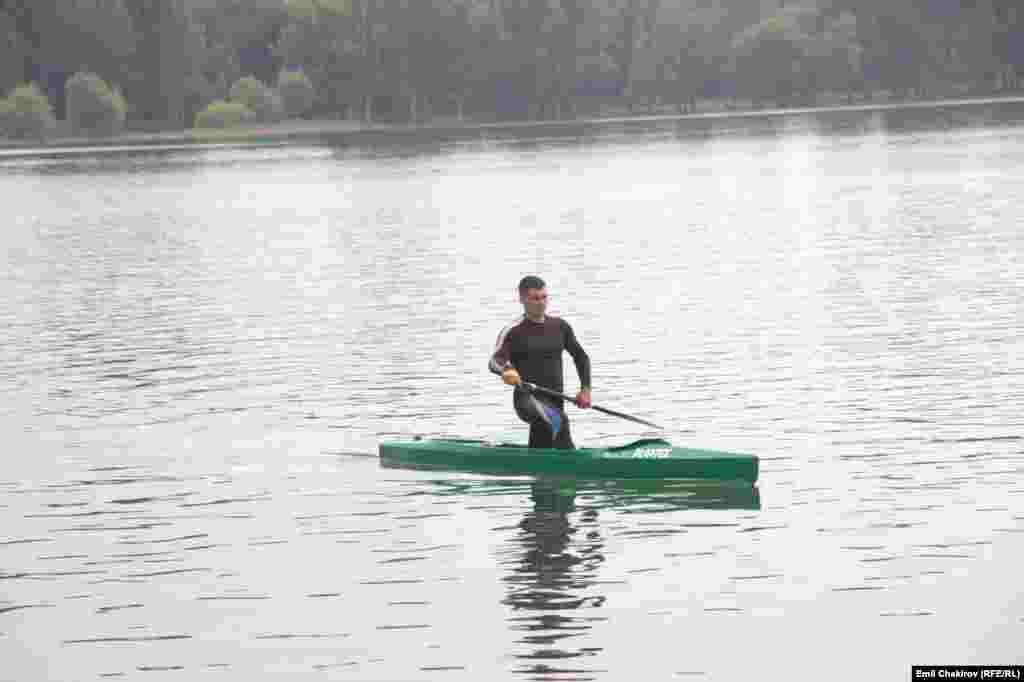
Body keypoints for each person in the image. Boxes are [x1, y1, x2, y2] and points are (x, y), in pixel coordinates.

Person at [489, 276, 592, 449]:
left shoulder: (560, 327)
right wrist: (507, 370)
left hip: (556, 399)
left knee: (543, 443)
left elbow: (581, 357)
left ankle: (536, 469)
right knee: (559, 421)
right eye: (535, 298)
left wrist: (585, 390)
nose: (541, 303)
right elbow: (495, 361)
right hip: (527, 399)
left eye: (544, 297)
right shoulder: (514, 330)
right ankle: (574, 472)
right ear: (522, 299)